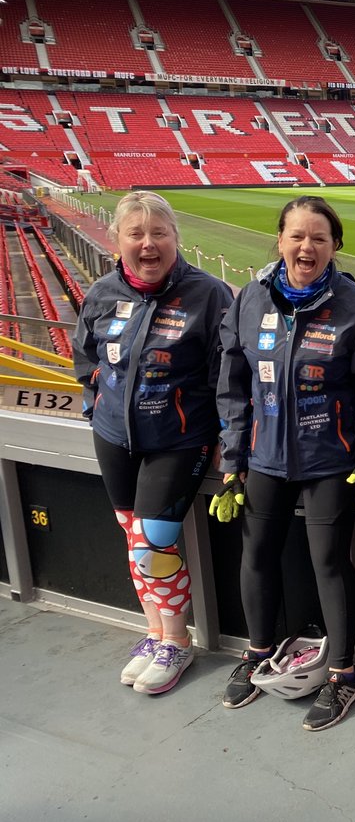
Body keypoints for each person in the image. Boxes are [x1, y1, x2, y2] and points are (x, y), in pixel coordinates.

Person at [211, 195, 355, 731]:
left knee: (329, 563)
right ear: (279, 241)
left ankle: (343, 673)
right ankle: (258, 651)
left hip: (329, 460)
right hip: (264, 459)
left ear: (335, 245)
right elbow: (232, 386)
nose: (306, 246)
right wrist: (232, 461)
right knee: (257, 556)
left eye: (318, 237)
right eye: (296, 235)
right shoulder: (250, 300)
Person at [72, 191, 232, 694]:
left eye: (158, 233)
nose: (148, 244)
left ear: (175, 239)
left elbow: (228, 374)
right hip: (114, 436)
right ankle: (155, 629)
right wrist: (96, 402)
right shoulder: (102, 292)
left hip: (179, 439)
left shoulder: (209, 294)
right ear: (118, 240)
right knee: (132, 534)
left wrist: (228, 437)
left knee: (152, 544)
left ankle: (177, 642)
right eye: (135, 234)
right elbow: (85, 356)